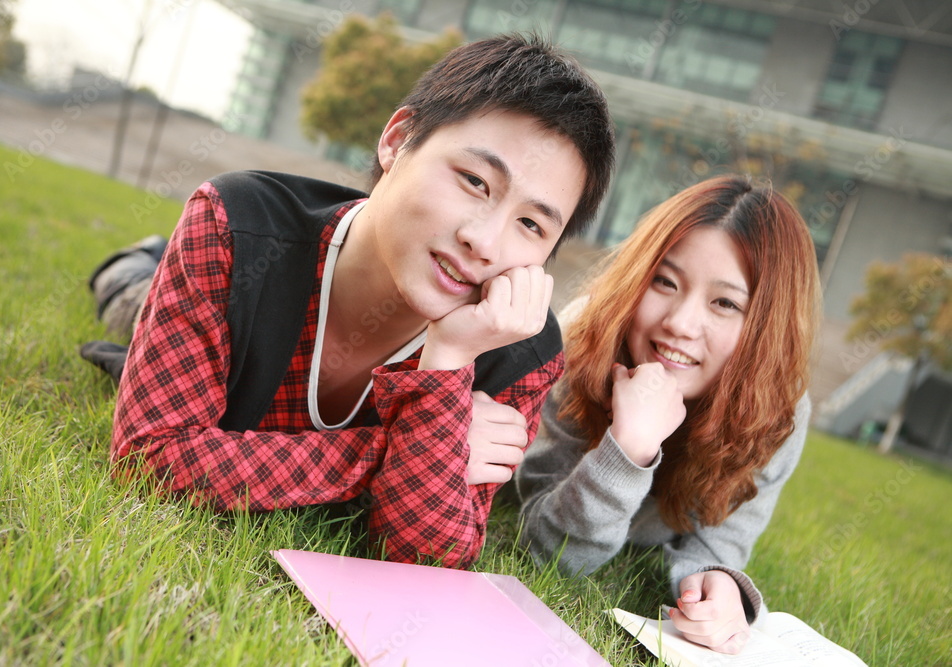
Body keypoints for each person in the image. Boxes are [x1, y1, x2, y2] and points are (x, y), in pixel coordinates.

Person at [80, 34, 616, 569]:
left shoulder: (518, 347)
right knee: (129, 298)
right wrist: (410, 445)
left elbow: (425, 559)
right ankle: (135, 262)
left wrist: (449, 361)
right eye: (475, 181)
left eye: (530, 223)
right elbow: (152, 458)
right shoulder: (237, 227)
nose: (486, 241)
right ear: (397, 140)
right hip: (201, 288)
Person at [515, 175, 821, 654]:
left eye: (724, 303)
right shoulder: (583, 345)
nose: (679, 323)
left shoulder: (777, 413)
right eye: (664, 281)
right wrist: (628, 447)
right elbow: (549, 553)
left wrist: (718, 584)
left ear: (766, 327)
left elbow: (719, 546)